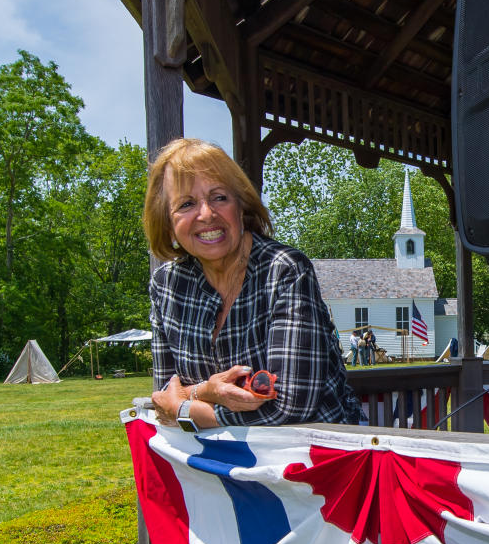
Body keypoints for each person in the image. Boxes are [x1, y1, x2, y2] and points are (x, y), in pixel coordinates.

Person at [145, 138, 364, 430]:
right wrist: (205, 392)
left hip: (312, 455)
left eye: (219, 197)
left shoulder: (285, 270)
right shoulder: (166, 284)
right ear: (167, 222)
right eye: (186, 204)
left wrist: (186, 407)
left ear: (241, 206)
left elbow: (291, 406)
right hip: (215, 462)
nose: (206, 214)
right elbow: (163, 394)